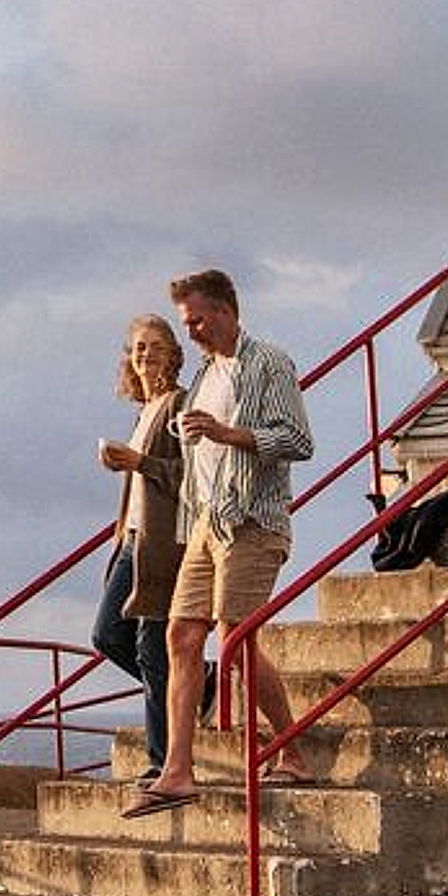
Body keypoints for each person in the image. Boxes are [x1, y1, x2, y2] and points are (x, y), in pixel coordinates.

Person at [125, 267, 317, 815]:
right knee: (181, 637)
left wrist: (228, 433)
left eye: (198, 320)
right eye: (187, 322)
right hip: (205, 522)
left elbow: (300, 440)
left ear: (227, 311)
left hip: (253, 522)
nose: (192, 332)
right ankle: (177, 772)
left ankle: (294, 754)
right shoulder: (206, 376)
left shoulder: (268, 363)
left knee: (234, 643)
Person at [93, 313, 189, 778]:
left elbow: (189, 478)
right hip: (131, 541)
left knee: (153, 648)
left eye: (153, 346)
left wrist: (141, 461)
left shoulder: (178, 405)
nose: (144, 354)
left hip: (161, 545)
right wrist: (125, 464)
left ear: (172, 353)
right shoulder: (142, 412)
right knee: (107, 635)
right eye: (137, 348)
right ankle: (202, 687)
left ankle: (162, 760)